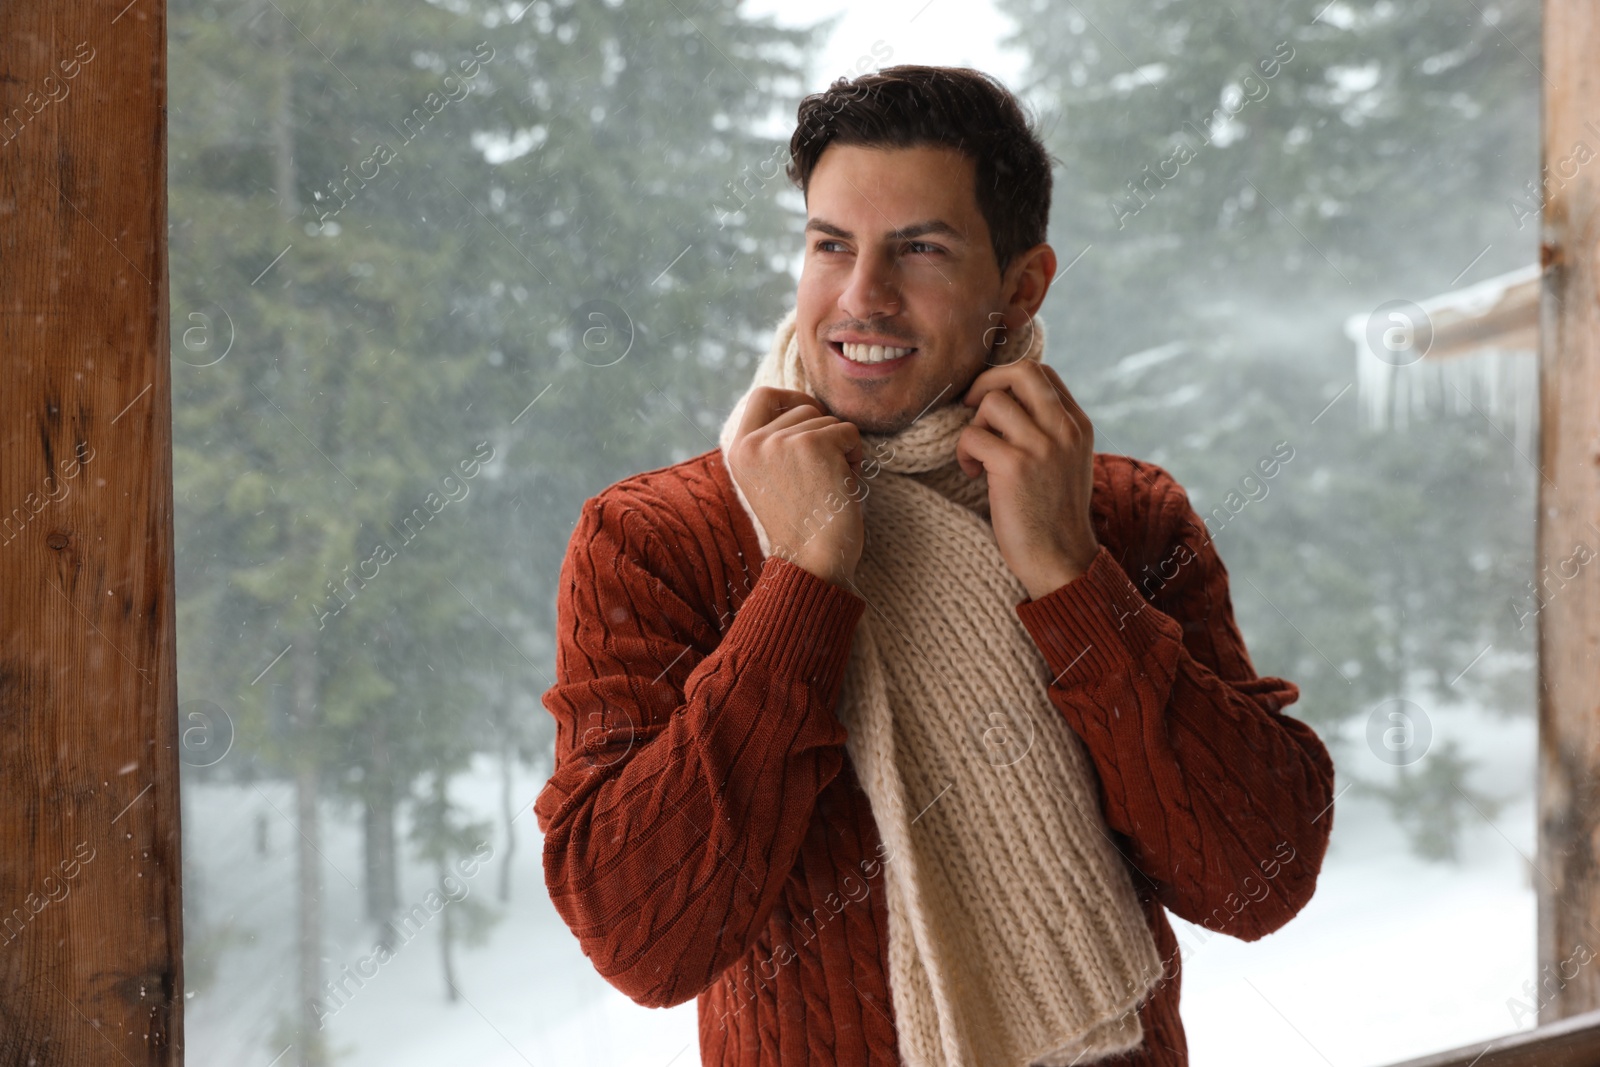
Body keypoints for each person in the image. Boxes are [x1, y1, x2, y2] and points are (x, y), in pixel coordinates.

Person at [535, 65, 1336, 1067]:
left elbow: (1256, 876)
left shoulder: (1123, 516)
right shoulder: (655, 537)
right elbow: (644, 938)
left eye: (918, 249)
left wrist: (1070, 577)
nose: (860, 296)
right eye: (831, 244)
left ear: (1020, 286)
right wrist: (803, 581)